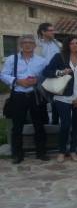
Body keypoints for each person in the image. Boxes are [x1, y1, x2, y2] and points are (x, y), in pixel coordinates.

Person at [1, 35, 49, 163]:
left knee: (39, 124)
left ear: (34, 45)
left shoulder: (41, 61)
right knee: (17, 126)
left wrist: (37, 80)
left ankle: (41, 152)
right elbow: (3, 75)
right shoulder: (12, 59)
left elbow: (46, 75)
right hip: (18, 95)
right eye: (25, 42)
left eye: (30, 42)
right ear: (20, 45)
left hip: (35, 95)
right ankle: (17, 154)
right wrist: (17, 81)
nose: (27, 45)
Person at [44, 36, 77, 163]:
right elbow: (46, 72)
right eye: (72, 43)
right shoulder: (59, 57)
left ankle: (73, 150)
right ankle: (61, 151)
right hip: (62, 97)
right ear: (67, 45)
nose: (75, 45)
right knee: (65, 124)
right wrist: (60, 72)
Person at [35, 22, 62, 124]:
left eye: (53, 30)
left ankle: (55, 122)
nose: (53, 32)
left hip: (55, 75)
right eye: (50, 30)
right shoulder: (37, 45)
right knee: (41, 100)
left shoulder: (58, 45)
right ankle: (44, 123)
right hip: (40, 75)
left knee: (56, 99)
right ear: (43, 32)